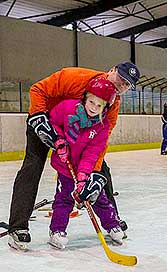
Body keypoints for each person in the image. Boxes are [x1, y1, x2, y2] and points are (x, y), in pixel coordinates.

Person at [8, 62, 140, 250]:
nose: (122, 85)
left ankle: (113, 219)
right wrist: (38, 115)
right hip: (46, 121)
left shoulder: (113, 104)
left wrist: (92, 173)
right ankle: (18, 226)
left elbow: (101, 142)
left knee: (101, 171)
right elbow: (38, 89)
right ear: (111, 70)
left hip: (77, 137)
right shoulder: (76, 77)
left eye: (127, 84)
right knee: (32, 166)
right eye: (121, 78)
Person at [47, 78, 124, 249]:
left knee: (98, 196)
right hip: (65, 165)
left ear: (105, 108)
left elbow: (91, 154)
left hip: (85, 169)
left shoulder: (102, 127)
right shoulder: (67, 108)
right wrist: (59, 140)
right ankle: (56, 231)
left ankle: (112, 224)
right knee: (64, 197)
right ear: (84, 98)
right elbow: (53, 122)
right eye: (91, 102)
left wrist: (83, 177)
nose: (93, 108)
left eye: (99, 106)